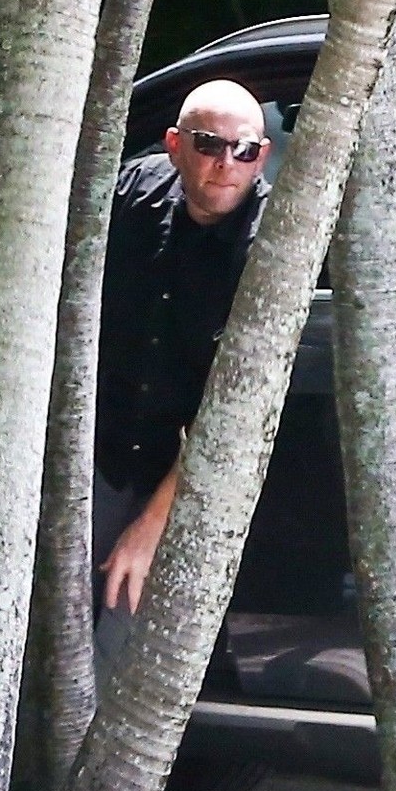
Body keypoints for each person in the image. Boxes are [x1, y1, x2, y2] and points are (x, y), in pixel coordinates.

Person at [93, 79, 272, 680]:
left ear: (262, 157)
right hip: (101, 454)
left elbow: (227, 419)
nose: (227, 163)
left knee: (120, 645)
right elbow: (52, 269)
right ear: (174, 145)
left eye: (244, 150)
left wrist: (150, 529)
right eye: (209, 144)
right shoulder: (131, 193)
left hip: (189, 482)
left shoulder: (269, 247)